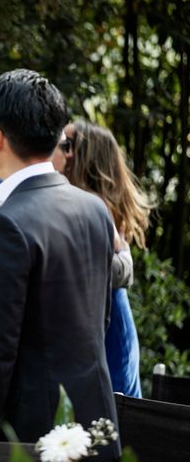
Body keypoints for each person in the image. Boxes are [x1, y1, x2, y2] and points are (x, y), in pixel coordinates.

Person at [0, 69, 121, 460]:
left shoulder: (8, 223)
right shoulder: (94, 208)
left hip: (34, 431)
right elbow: (99, 320)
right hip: (95, 419)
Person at [60, 120, 152, 397]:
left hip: (109, 321)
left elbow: (115, 269)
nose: (60, 148)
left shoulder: (94, 203)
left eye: (67, 143)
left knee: (116, 410)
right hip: (103, 316)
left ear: (84, 155)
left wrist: (124, 257)